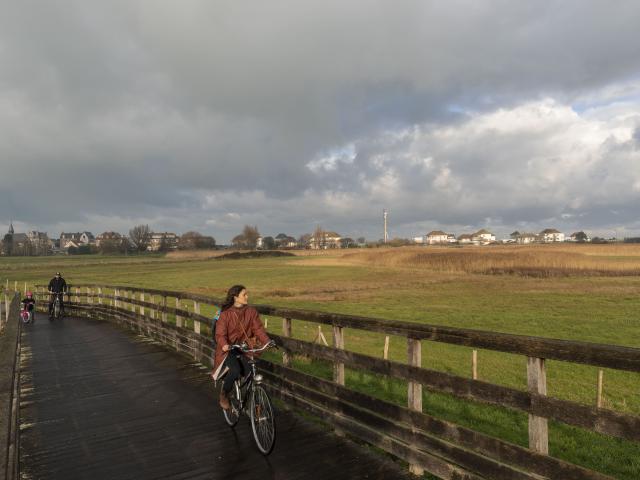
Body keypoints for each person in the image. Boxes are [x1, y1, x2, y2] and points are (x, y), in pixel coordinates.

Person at [213, 285, 271, 410]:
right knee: (234, 369)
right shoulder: (225, 314)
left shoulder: (251, 312)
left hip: (245, 347)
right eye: (244, 294)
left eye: (247, 294)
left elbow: (258, 329)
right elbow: (220, 334)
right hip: (229, 349)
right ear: (235, 297)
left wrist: (268, 341)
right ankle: (224, 394)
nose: (247, 297)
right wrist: (224, 345)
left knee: (251, 370)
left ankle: (256, 405)